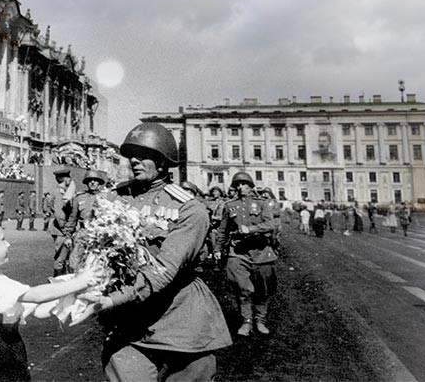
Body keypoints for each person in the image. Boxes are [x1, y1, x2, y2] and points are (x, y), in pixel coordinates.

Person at [82, 123, 231, 381]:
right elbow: (89, 248)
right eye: (131, 155)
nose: (134, 161)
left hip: (181, 318)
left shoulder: (188, 209)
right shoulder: (112, 199)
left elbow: (164, 270)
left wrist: (111, 300)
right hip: (129, 322)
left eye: (143, 155)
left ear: (162, 162)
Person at [0, 213, 100, 382]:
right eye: (2, 239)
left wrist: (70, 295)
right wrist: (80, 282)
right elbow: (36, 296)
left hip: (0, 349)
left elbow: (37, 309)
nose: (8, 243)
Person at [219, 171, 278, 337]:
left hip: (261, 253)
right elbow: (223, 230)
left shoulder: (262, 203)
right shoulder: (230, 205)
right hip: (239, 253)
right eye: (237, 185)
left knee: (263, 290)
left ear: (251, 186)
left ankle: (260, 320)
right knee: (242, 288)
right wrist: (217, 249)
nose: (240, 187)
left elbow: (271, 224)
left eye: (244, 184)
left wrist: (250, 229)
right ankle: (246, 322)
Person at [68, 169, 111, 271]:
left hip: (100, 236)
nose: (92, 182)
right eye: (89, 180)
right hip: (83, 235)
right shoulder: (79, 198)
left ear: (99, 183)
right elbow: (72, 218)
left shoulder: (106, 198)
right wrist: (68, 236)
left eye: (95, 180)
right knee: (74, 263)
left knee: (97, 265)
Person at [48, 168, 75, 277]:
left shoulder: (64, 191)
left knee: (64, 257)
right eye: (67, 177)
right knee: (61, 258)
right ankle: (57, 284)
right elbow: (60, 215)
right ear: (61, 179)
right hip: (61, 231)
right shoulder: (59, 193)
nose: (69, 179)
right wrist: (66, 231)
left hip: (61, 230)